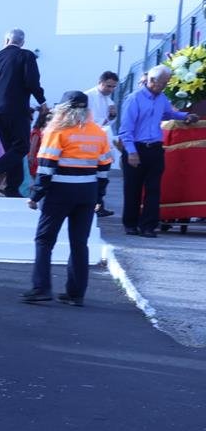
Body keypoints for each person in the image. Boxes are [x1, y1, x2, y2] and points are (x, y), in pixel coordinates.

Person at [23, 92, 112, 305]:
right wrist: (99, 196)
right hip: (88, 192)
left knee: (44, 240)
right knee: (79, 242)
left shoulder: (57, 130)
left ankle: (42, 288)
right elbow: (104, 166)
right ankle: (76, 294)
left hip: (60, 192)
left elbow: (46, 166)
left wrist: (36, 195)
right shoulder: (98, 132)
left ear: (63, 109)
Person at [118, 64, 202, 236]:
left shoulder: (161, 98)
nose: (164, 86)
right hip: (136, 148)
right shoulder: (134, 99)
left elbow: (168, 114)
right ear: (152, 80)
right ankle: (131, 223)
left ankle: (148, 226)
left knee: (153, 188)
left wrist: (185, 116)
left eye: (166, 83)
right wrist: (131, 152)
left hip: (155, 149)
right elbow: (126, 129)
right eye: (162, 83)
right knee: (133, 188)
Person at [0, 29, 44, 197]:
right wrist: (42, 101)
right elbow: (32, 82)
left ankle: (12, 189)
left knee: (12, 150)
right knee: (22, 147)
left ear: (6, 40)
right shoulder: (26, 56)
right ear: (22, 42)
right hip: (16, 110)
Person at [88, 71, 120, 215]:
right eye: (108, 86)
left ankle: (99, 205)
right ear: (100, 82)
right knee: (91, 176)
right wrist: (103, 121)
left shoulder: (110, 101)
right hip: (88, 142)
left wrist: (113, 116)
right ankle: (92, 205)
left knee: (102, 176)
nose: (111, 90)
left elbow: (109, 123)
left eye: (113, 87)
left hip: (103, 142)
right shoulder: (87, 96)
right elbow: (84, 120)